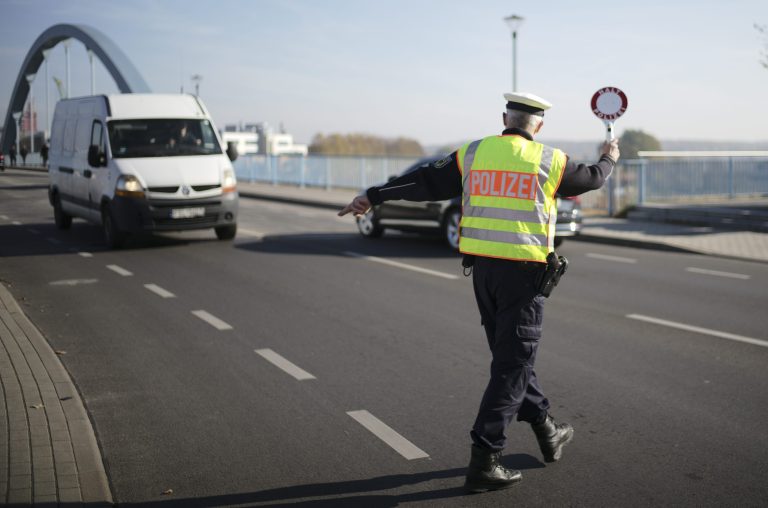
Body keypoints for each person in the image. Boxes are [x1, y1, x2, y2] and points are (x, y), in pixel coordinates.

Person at [339, 92, 620, 493]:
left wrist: (373, 195)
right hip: (524, 278)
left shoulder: (473, 154)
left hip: (484, 273)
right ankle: (485, 457)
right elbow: (593, 178)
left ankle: (546, 428)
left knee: (511, 358)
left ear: (505, 117)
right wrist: (610, 155)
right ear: (538, 125)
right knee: (512, 365)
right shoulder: (550, 161)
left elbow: (423, 181)